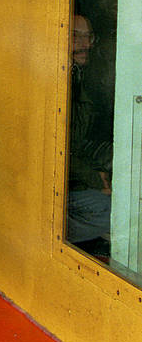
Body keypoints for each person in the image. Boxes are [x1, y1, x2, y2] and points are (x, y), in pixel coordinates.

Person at [66, 14, 112, 256]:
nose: (86, 44)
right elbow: (58, 153)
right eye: (76, 36)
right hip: (61, 182)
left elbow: (77, 143)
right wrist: (95, 180)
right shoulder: (59, 80)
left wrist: (99, 172)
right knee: (109, 211)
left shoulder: (82, 77)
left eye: (88, 37)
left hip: (75, 174)